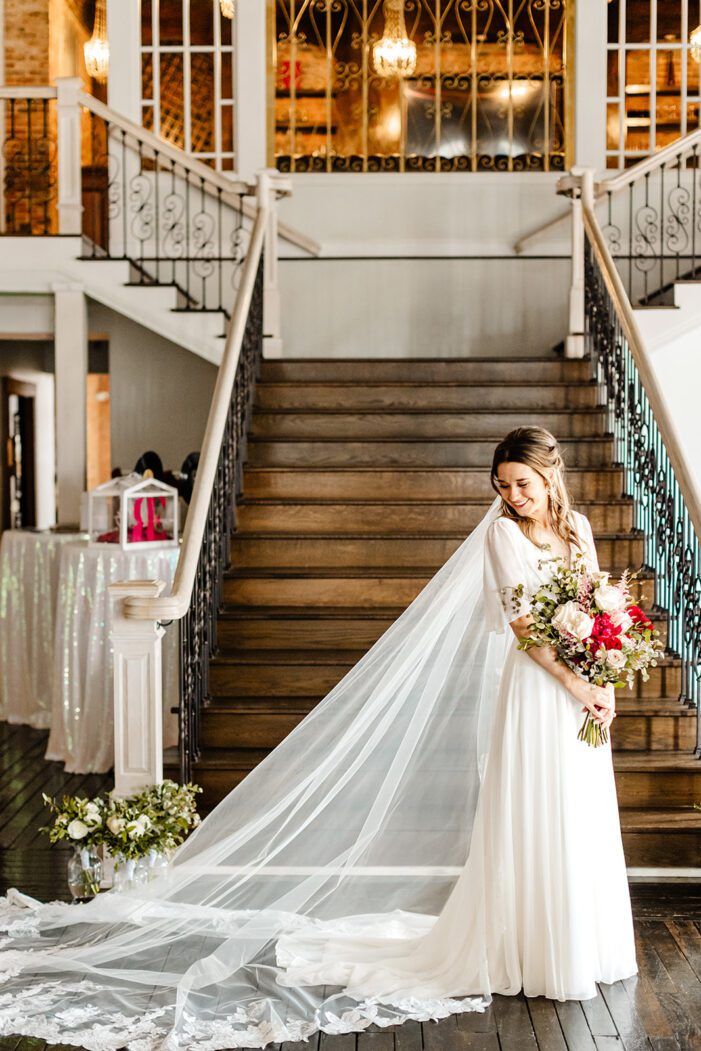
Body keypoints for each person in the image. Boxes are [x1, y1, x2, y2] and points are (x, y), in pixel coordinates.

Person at [0, 427, 638, 1050]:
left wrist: (602, 679)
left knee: (576, 816)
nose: (513, 495)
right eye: (503, 485)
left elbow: (594, 607)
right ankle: (528, 947)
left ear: (550, 474)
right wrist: (578, 684)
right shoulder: (501, 533)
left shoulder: (578, 531)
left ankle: (580, 942)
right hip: (534, 693)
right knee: (535, 815)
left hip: (578, 692)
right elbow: (524, 627)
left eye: (522, 483)